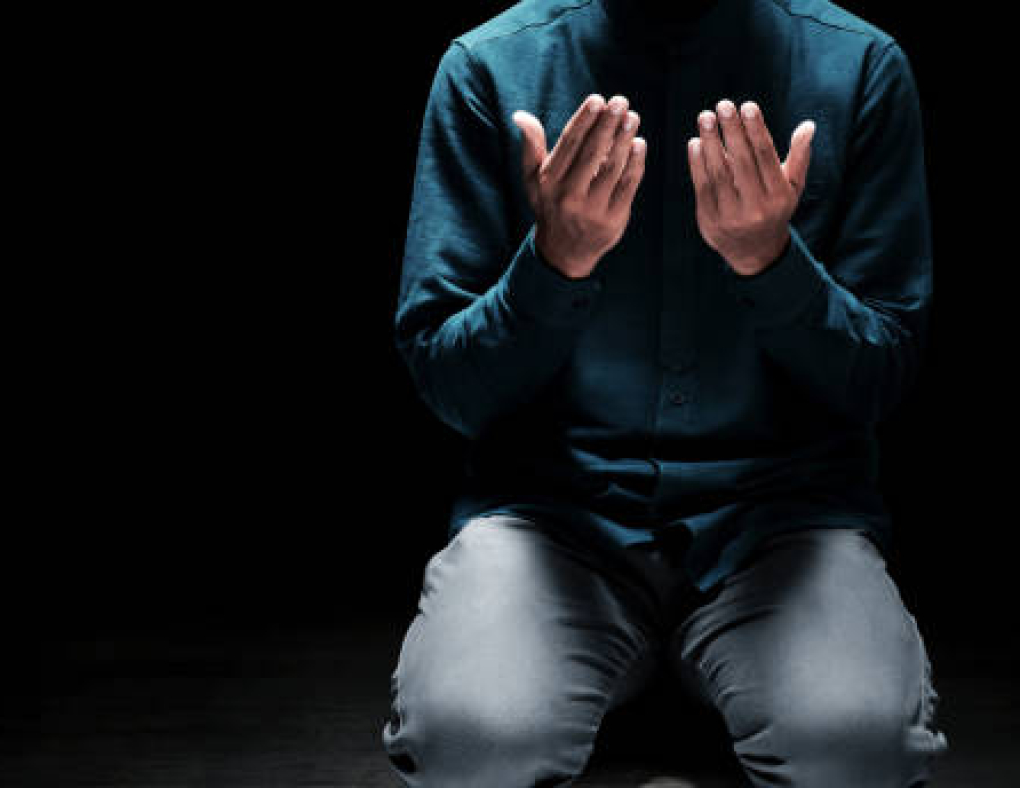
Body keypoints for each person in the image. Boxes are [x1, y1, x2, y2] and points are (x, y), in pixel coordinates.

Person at [381, 0, 951, 785]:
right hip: (553, 525)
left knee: (854, 746)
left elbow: (883, 377)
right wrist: (553, 266)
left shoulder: (859, 67)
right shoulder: (487, 67)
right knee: (473, 739)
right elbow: (450, 388)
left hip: (780, 525)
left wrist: (771, 264)